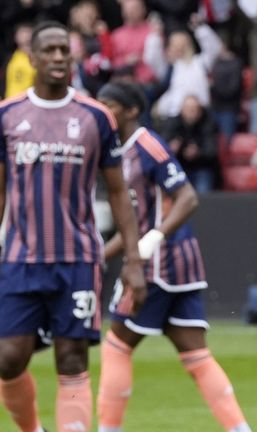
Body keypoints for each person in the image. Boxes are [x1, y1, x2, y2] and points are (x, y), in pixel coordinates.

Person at [0, 21, 146, 432]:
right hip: (21, 258)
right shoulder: (8, 115)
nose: (59, 57)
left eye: (65, 50)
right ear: (32, 59)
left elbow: (118, 191)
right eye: (49, 50)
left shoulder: (96, 117)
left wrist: (133, 259)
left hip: (78, 258)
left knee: (72, 359)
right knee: (9, 358)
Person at [94, 81, 251, 432]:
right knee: (195, 352)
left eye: (109, 105)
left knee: (117, 344)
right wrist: (102, 254)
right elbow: (134, 220)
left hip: (159, 263)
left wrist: (151, 241)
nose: (102, 111)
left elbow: (188, 198)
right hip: (175, 260)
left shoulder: (147, 145)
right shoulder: (120, 150)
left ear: (132, 110)